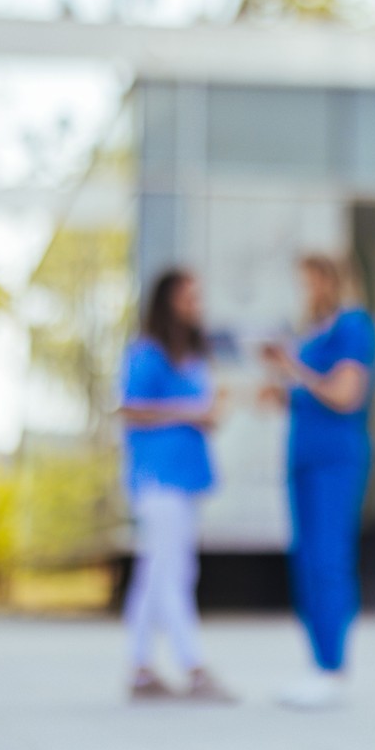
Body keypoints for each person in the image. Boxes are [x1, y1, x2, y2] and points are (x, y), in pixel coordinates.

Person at [260, 253, 375, 710]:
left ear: (333, 280)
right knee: (306, 561)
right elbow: (310, 394)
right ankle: (316, 664)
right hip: (304, 459)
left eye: (311, 281)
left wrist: (293, 368)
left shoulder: (352, 326)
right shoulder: (311, 332)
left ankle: (333, 667)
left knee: (329, 559)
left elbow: (346, 395)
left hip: (335, 461)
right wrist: (283, 390)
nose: (306, 290)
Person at [118, 267, 233, 702]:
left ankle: (141, 667)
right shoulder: (146, 353)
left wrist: (209, 411)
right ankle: (194, 666)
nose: (195, 304)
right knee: (173, 572)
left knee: (156, 572)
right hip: (156, 477)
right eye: (188, 296)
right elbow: (129, 409)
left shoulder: (195, 356)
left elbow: (202, 412)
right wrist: (189, 411)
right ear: (167, 300)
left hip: (186, 476)